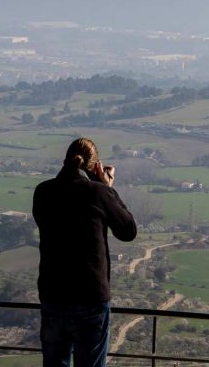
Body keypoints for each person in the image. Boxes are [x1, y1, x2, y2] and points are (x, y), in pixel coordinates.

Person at [33, 137, 137, 367]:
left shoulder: (43, 192)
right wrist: (107, 188)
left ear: (65, 159)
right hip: (90, 296)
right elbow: (128, 231)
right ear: (94, 166)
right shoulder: (98, 193)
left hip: (53, 295)